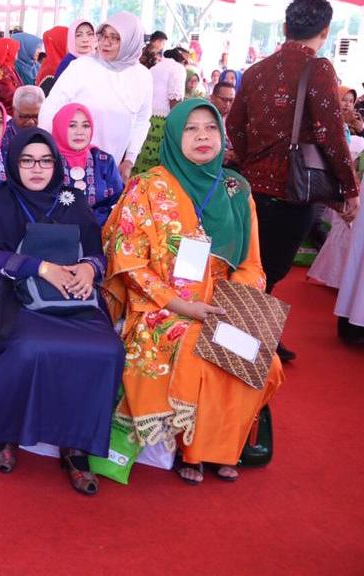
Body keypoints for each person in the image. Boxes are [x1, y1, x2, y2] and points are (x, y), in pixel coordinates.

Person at [103, 100, 284, 484]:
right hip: (162, 306)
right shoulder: (148, 187)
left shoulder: (236, 190)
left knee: (262, 359)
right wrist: (183, 305)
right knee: (192, 348)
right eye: (191, 128)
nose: (203, 136)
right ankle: (193, 450)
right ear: (173, 136)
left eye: (211, 127)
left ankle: (223, 446)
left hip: (223, 305)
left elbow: (252, 263)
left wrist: (233, 303)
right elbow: (128, 262)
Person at [0, 128, 124, 495]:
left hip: (71, 295)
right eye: (28, 160)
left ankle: (76, 443)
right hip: (12, 292)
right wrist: (39, 267)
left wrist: (89, 268)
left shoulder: (71, 200)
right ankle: (0, 429)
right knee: (30, 346)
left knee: (107, 349)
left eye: (46, 161)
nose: (37, 168)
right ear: (14, 163)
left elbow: (95, 251)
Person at [226, 0, 359, 362]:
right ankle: (240, 346)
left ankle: (254, 336)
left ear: (285, 27)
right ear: (325, 31)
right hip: (293, 190)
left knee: (254, 262)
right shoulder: (318, 69)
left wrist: (251, 158)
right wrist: (349, 188)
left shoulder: (256, 71)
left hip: (252, 187)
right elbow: (332, 135)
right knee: (270, 269)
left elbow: (234, 124)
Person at [39, 12, 153, 183]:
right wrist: (46, 150)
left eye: (115, 38)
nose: (106, 42)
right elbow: (51, 107)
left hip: (111, 167)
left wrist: (129, 159)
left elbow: (142, 121)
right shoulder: (82, 66)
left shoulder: (142, 76)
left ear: (131, 41)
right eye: (104, 35)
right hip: (69, 163)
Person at [51, 103, 122, 226]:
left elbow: (118, 201)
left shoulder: (104, 161)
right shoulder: (47, 161)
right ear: (60, 127)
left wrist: (92, 222)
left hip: (99, 230)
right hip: (56, 232)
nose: (80, 132)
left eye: (85, 126)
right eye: (72, 125)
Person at [135, 47, 189, 174]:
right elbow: (174, 99)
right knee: (158, 162)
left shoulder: (154, 69)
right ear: (182, 59)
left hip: (147, 119)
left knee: (142, 157)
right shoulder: (178, 69)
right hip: (163, 121)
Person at [0, 37, 23, 113]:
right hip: (7, 112)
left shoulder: (9, 67)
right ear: (9, 51)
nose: (17, 52)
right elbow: (9, 95)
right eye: (15, 49)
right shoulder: (1, 71)